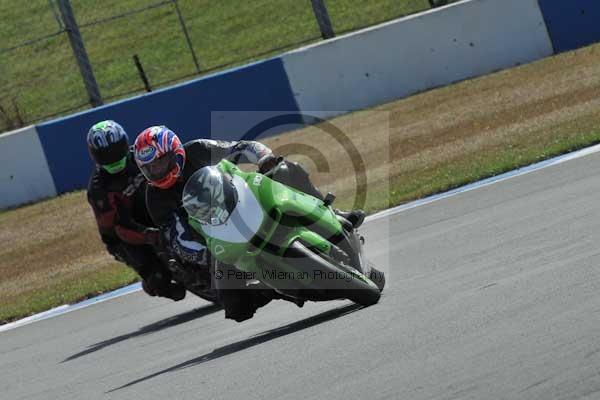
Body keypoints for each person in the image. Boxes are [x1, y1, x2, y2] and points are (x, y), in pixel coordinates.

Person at [133, 125, 365, 321]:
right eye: (149, 168)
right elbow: (179, 239)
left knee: (287, 170)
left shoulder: (198, 149)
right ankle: (272, 288)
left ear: (175, 152)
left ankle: (331, 213)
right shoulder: (155, 199)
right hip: (216, 239)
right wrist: (206, 254)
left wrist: (264, 159)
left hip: (242, 200)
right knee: (236, 308)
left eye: (160, 163)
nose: (156, 172)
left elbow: (241, 148)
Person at [86, 120, 186, 301]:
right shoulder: (98, 190)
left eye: (116, 150)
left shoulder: (141, 156)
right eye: (106, 154)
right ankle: (155, 282)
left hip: (155, 208)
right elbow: (119, 228)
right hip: (125, 236)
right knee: (160, 280)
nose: (113, 157)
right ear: (95, 156)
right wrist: (150, 236)